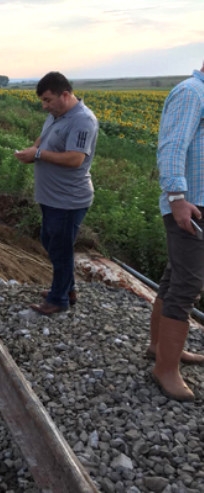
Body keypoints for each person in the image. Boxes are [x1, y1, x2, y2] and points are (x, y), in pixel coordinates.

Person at [14, 72, 99, 315]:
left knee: (60, 248)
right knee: (49, 241)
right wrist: (31, 151)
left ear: (65, 94)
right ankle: (67, 288)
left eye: (48, 100)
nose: (45, 106)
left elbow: (75, 158)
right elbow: (42, 140)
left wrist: (38, 155)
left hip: (68, 199)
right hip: (51, 197)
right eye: (42, 101)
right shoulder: (56, 115)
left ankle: (58, 299)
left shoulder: (82, 120)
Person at [146, 60, 204, 402]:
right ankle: (165, 370)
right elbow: (171, 149)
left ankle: (159, 349)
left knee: (173, 277)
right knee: (188, 285)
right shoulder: (191, 93)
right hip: (190, 206)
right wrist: (178, 198)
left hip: (195, 202)